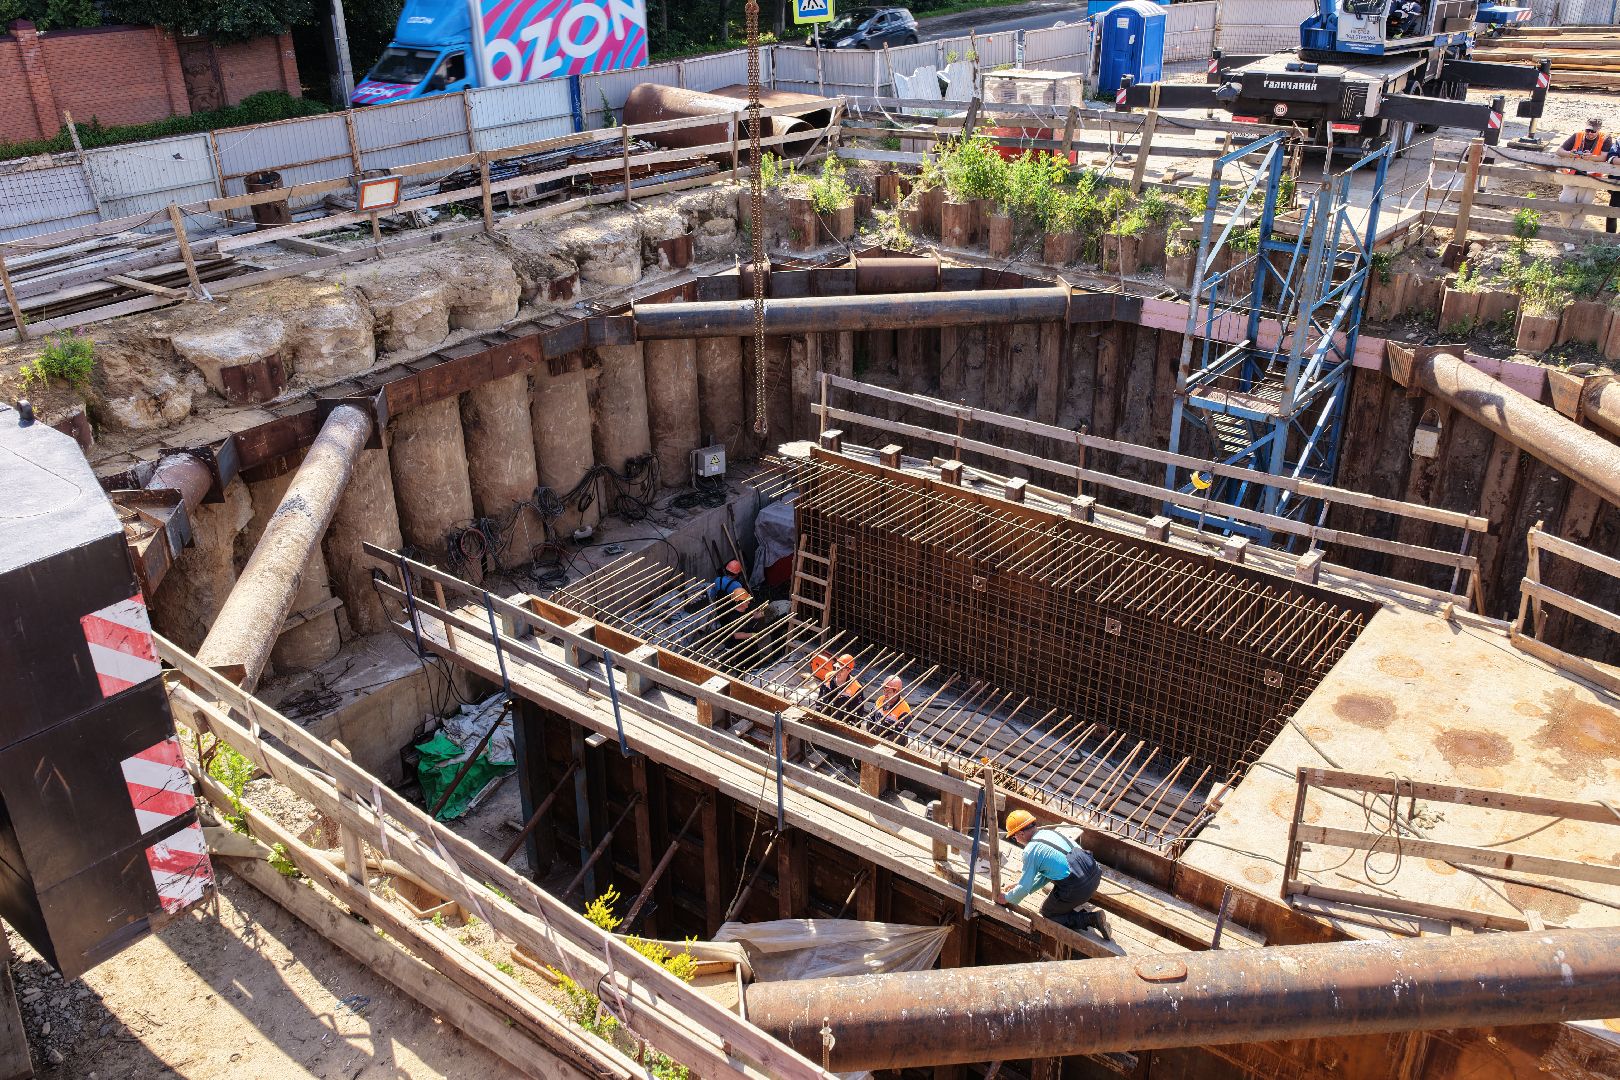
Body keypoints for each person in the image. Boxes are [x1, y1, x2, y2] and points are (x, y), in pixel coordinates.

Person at [996, 809, 1112, 940]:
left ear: (1021, 833)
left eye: (1013, 836)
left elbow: (1023, 889)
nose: (1015, 839)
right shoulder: (1049, 833)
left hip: (1078, 887)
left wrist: (1007, 898)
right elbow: (1045, 874)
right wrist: (1019, 885)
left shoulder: (1031, 851)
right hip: (1095, 875)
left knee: (1048, 912)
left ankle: (1091, 919)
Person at [1555, 117, 1615, 228]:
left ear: (1599, 130)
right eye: (1588, 130)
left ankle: (1571, 237)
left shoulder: (1605, 138)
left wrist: (1591, 157)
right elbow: (1559, 151)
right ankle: (1568, 233)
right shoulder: (1577, 135)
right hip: (1572, 177)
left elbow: (1604, 157)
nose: (1590, 133)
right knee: (1564, 205)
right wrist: (1569, 153)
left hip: (1591, 180)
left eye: (1593, 131)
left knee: (1583, 209)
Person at [816, 653, 868, 718]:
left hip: (840, 723)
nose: (838, 672)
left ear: (849, 670)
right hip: (823, 715)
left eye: (841, 670)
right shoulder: (828, 677)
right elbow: (821, 695)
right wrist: (817, 710)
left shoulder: (855, 688)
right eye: (836, 668)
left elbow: (857, 713)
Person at [872, 675, 913, 747]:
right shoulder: (880, 699)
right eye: (884, 690)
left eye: (889, 692)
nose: (885, 694)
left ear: (896, 692)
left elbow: (899, 736)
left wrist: (883, 743)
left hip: (892, 746)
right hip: (875, 738)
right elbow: (872, 717)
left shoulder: (904, 710)